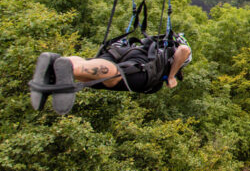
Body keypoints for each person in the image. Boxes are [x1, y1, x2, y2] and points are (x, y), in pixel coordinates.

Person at [30, 34, 191, 115]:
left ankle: (62, 64)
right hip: (142, 68)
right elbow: (184, 50)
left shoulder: (150, 45)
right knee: (114, 77)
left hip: (122, 51)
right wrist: (171, 76)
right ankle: (69, 68)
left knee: (87, 71)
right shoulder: (168, 56)